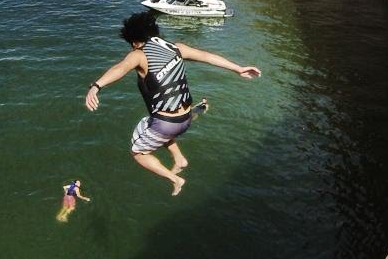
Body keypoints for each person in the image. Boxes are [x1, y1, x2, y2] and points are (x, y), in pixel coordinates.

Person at [85, 11, 261, 196]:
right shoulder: (177, 48)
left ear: (135, 41)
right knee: (149, 122)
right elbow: (207, 56)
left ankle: (175, 178)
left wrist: (96, 86)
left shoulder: (138, 55)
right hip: (185, 119)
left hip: (166, 124)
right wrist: (238, 68)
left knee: (138, 153)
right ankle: (179, 158)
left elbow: (120, 68)